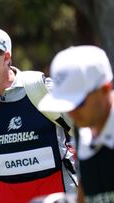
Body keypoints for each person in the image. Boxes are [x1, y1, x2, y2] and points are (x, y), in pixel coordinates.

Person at [0, 27, 77, 203]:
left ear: (6, 58)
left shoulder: (40, 87)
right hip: (8, 195)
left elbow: (83, 130)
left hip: (55, 191)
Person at [38, 45, 114, 203]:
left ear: (105, 89)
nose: (71, 113)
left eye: (78, 103)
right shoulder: (83, 128)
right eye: (65, 104)